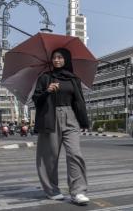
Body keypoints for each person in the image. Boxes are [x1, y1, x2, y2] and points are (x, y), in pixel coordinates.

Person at [32, 48, 90, 205]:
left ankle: (78, 191)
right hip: (50, 117)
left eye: (60, 57)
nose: (56, 60)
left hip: (70, 117)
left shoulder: (73, 79)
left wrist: (83, 120)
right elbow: (35, 99)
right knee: (49, 156)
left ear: (66, 59)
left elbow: (79, 101)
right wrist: (47, 91)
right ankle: (52, 190)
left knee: (75, 154)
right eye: (54, 57)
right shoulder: (45, 77)